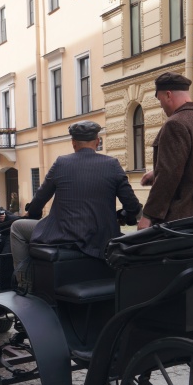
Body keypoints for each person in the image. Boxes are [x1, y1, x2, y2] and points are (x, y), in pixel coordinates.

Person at [11, 121, 141, 285]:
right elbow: (133, 206)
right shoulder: (112, 164)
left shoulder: (61, 163)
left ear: (73, 143)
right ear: (98, 141)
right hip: (102, 239)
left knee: (17, 228)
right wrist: (126, 217)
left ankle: (24, 283)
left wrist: (33, 213)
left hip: (64, 236)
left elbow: (41, 197)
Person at [138, 72, 193, 230]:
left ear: (168, 95)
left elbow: (168, 176)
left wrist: (148, 216)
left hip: (181, 221)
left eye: (160, 99)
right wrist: (156, 172)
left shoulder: (174, 124)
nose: (161, 106)